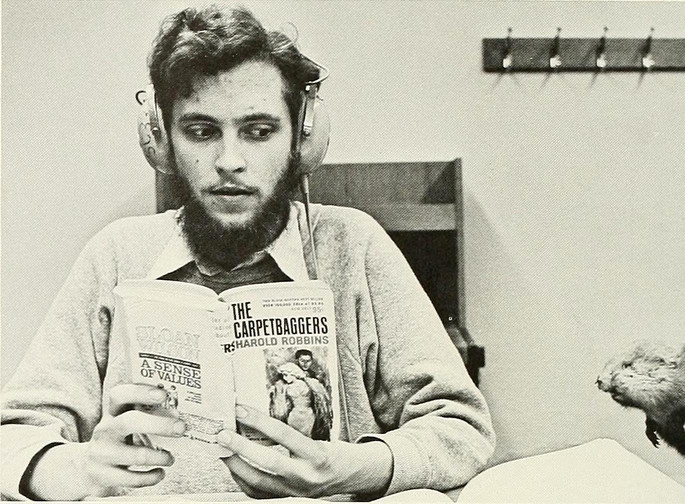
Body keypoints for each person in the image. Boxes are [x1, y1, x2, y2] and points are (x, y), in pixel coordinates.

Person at [0, 4, 494, 500]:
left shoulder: (354, 245)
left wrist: (355, 469)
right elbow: (12, 441)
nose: (229, 161)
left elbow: (461, 430)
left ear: (302, 140)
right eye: (201, 131)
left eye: (259, 132)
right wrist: (78, 466)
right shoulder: (116, 254)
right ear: (162, 142)